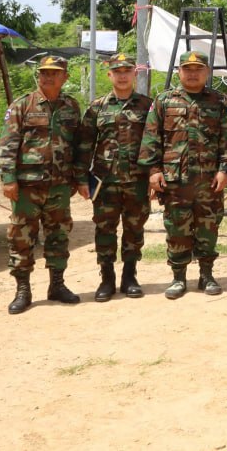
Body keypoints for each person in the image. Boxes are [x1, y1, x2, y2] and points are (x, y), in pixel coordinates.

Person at [139, 51, 227, 300]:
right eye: (187, 69)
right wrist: (153, 171)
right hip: (175, 181)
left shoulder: (219, 101)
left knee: (208, 228)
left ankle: (207, 275)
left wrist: (225, 169)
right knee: (177, 229)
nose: (193, 74)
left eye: (198, 69)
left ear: (207, 72)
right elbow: (151, 137)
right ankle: (178, 277)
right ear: (179, 72)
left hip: (209, 181)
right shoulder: (164, 101)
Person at [0, 54, 89, 314]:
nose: (48, 77)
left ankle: (57, 285)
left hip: (60, 185)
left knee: (58, 235)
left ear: (65, 77)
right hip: (27, 186)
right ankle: (23, 290)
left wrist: (79, 177)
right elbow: (7, 143)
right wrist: (8, 178)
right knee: (21, 237)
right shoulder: (22, 105)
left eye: (54, 73)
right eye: (44, 73)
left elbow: (79, 146)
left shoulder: (71, 106)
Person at [82, 52, 152, 301]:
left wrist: (155, 174)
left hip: (137, 180)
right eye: (117, 72)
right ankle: (107, 278)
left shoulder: (147, 106)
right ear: (109, 75)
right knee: (105, 229)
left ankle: (130, 276)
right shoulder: (97, 107)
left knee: (134, 229)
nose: (122, 76)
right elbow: (84, 145)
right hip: (105, 181)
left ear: (134, 73)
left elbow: (156, 142)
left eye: (127, 71)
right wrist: (81, 178)